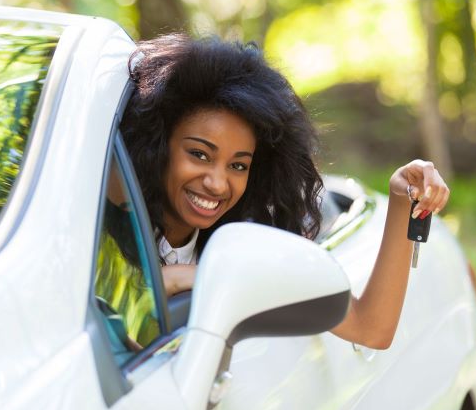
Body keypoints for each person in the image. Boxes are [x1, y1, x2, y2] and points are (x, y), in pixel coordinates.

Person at [119, 34, 449, 350]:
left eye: (238, 166)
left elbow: (369, 327)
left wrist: (402, 197)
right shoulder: (101, 238)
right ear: (158, 146)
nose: (218, 184)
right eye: (199, 154)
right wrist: (169, 281)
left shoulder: (249, 239)